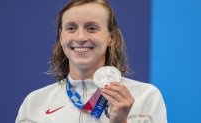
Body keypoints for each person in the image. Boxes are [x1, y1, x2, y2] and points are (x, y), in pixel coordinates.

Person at [16, 0, 167, 123]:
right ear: (61, 37)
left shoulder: (145, 97)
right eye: (71, 28)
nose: (80, 37)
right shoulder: (35, 103)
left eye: (92, 28)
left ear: (111, 38)